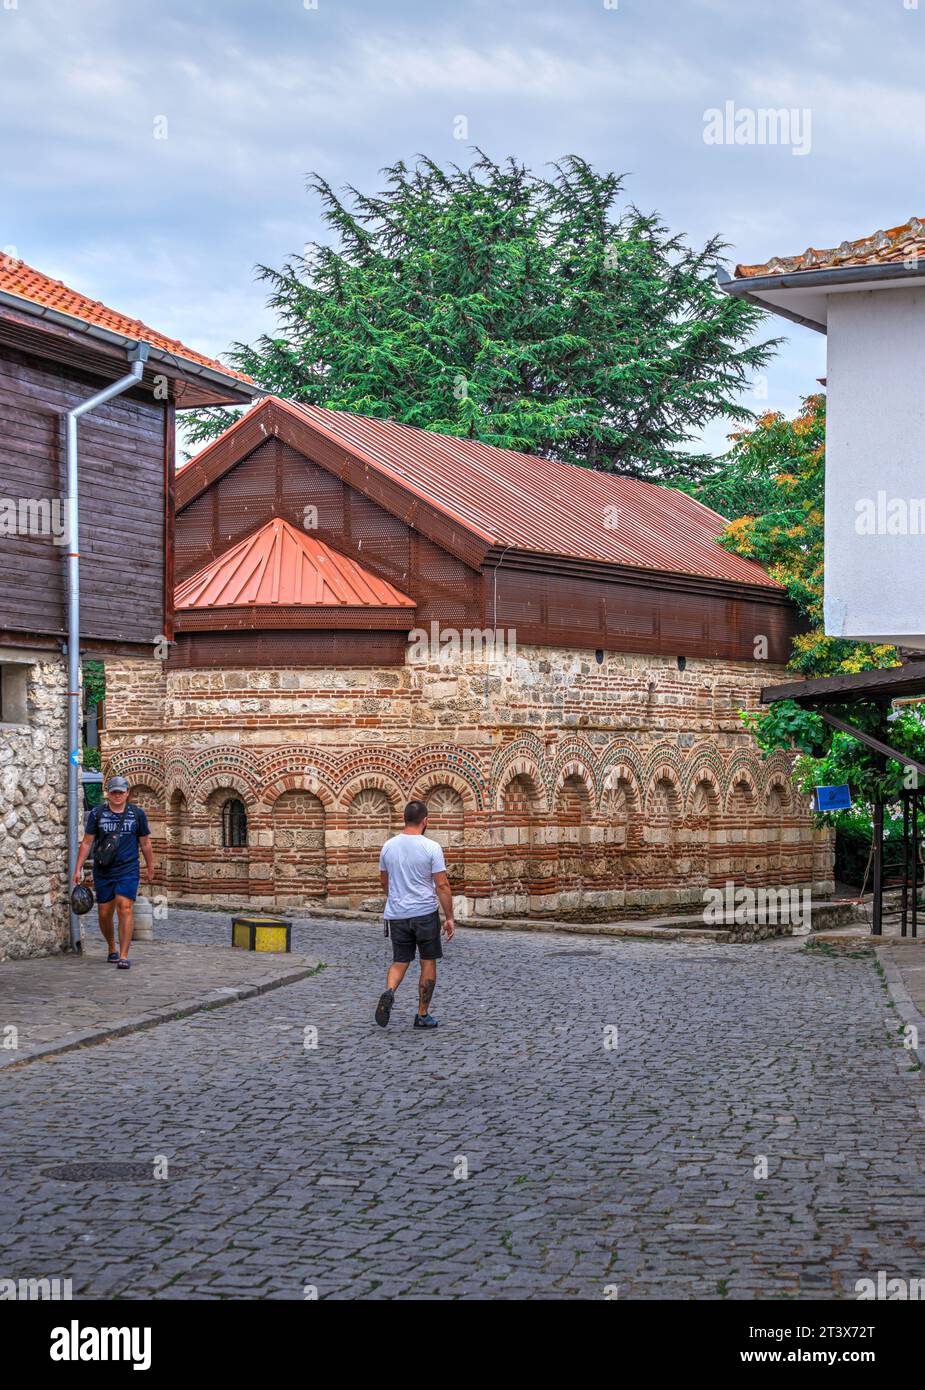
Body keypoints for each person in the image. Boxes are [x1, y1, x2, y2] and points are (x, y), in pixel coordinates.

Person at [375, 800, 455, 1029]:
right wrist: (449, 917)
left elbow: (384, 880)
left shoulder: (388, 846)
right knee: (427, 961)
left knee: (400, 960)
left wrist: (396, 897)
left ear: (404, 820)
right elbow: (442, 885)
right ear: (425, 821)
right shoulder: (431, 847)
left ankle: (389, 991)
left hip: (397, 913)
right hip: (424, 913)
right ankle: (422, 1013)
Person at [73, 775, 154, 969]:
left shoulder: (137, 814)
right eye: (114, 792)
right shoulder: (97, 814)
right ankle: (111, 947)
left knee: (125, 907)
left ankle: (124, 955)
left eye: (121, 792)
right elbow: (87, 842)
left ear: (127, 793)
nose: (117, 795)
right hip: (104, 869)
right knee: (104, 913)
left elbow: (145, 842)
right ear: (108, 793)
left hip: (128, 868)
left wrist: (151, 866)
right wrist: (78, 869)